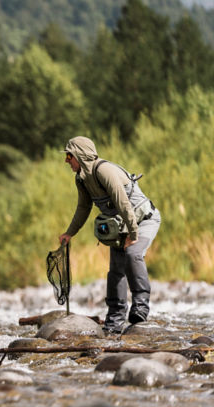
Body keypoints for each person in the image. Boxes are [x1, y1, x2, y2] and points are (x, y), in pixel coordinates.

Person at [59, 136, 161, 334]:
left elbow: (122, 202)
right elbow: (83, 207)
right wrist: (69, 233)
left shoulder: (103, 170)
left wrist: (133, 233)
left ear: (80, 155)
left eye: (69, 156)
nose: (67, 160)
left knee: (132, 254)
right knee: (115, 270)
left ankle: (140, 307)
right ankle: (114, 321)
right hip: (122, 226)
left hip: (144, 221)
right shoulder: (81, 178)